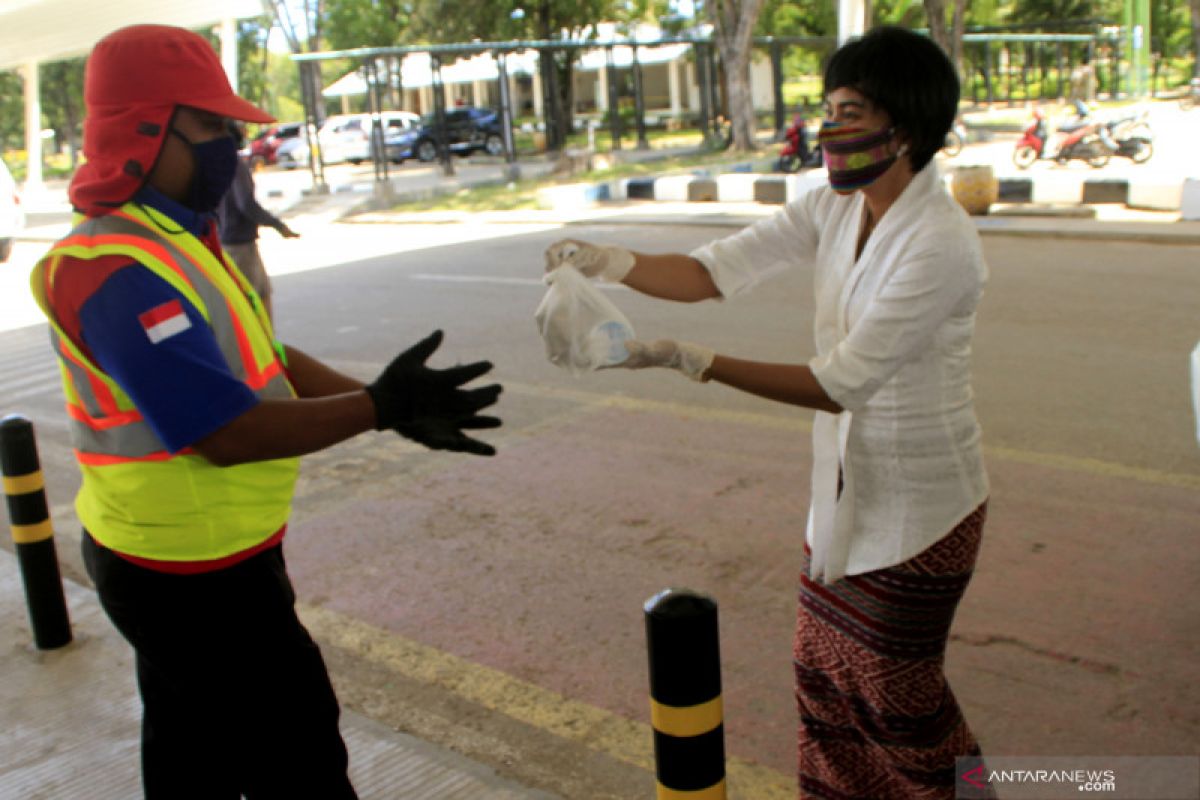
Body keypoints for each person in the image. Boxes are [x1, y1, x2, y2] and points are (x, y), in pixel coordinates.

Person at [30, 24, 501, 799]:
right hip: (184, 578)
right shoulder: (114, 269)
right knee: (301, 762)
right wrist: (378, 409)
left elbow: (263, 356)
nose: (232, 146)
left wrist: (378, 394)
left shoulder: (177, 234)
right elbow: (223, 430)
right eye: (213, 126)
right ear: (145, 129)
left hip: (208, 556)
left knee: (190, 758)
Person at [544, 26, 991, 799]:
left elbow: (840, 383)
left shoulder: (940, 241)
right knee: (824, 686)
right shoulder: (835, 207)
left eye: (849, 111)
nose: (830, 128)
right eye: (829, 108)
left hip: (923, 510)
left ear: (905, 125)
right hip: (844, 502)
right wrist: (605, 261)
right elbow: (712, 271)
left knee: (898, 703)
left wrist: (694, 360)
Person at [217, 121, 297, 320]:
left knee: (260, 296)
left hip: (235, 241)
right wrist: (277, 225)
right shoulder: (233, 165)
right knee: (254, 305)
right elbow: (246, 204)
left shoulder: (221, 165)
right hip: (238, 246)